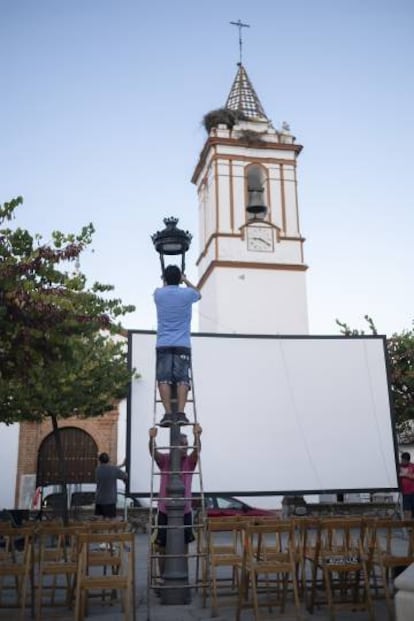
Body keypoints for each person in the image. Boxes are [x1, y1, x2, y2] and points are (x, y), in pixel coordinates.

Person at [149, 424, 202, 574]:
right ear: (174, 446)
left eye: (186, 445)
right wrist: (152, 438)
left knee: (183, 546)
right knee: (162, 547)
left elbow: (197, 451)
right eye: (182, 445)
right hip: (165, 510)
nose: (185, 448)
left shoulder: (189, 463)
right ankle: (162, 576)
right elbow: (154, 453)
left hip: (185, 510)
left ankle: (182, 575)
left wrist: (198, 436)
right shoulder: (166, 460)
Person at [153, 264, 201, 426]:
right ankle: (180, 413)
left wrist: (167, 280)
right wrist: (185, 279)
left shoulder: (158, 294)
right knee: (182, 379)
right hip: (182, 343)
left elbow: (164, 288)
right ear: (179, 278)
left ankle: (167, 414)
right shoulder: (187, 294)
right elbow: (198, 294)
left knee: (163, 379)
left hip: (163, 343)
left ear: (165, 279)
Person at [95, 452, 128, 519]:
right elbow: (125, 476)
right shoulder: (113, 469)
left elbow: (110, 469)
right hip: (110, 501)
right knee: (110, 521)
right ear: (108, 460)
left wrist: (121, 465)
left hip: (99, 500)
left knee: (100, 521)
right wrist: (123, 465)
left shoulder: (97, 470)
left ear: (99, 460)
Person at [399, 452, 414, 519]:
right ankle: (408, 528)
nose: (402, 461)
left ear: (408, 460)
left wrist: (405, 474)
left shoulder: (412, 466)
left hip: (413, 492)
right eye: (402, 460)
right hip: (405, 493)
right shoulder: (399, 466)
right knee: (406, 510)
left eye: (404, 460)